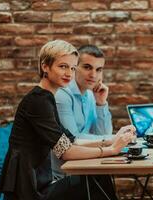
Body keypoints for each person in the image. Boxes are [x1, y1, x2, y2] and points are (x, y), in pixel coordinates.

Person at [0, 40, 136, 200]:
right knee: (94, 179)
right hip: (29, 191)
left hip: (40, 183)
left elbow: (71, 141)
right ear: (45, 67)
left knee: (97, 177)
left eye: (72, 68)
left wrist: (112, 140)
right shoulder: (38, 100)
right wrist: (111, 150)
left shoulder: (47, 97)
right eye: (63, 66)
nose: (69, 73)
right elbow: (65, 152)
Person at [52, 45, 115, 179]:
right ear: (74, 68)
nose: (93, 75)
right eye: (87, 67)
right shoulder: (62, 95)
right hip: (62, 175)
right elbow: (73, 140)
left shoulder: (91, 95)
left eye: (98, 70)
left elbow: (103, 134)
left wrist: (101, 103)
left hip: (84, 167)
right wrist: (113, 139)